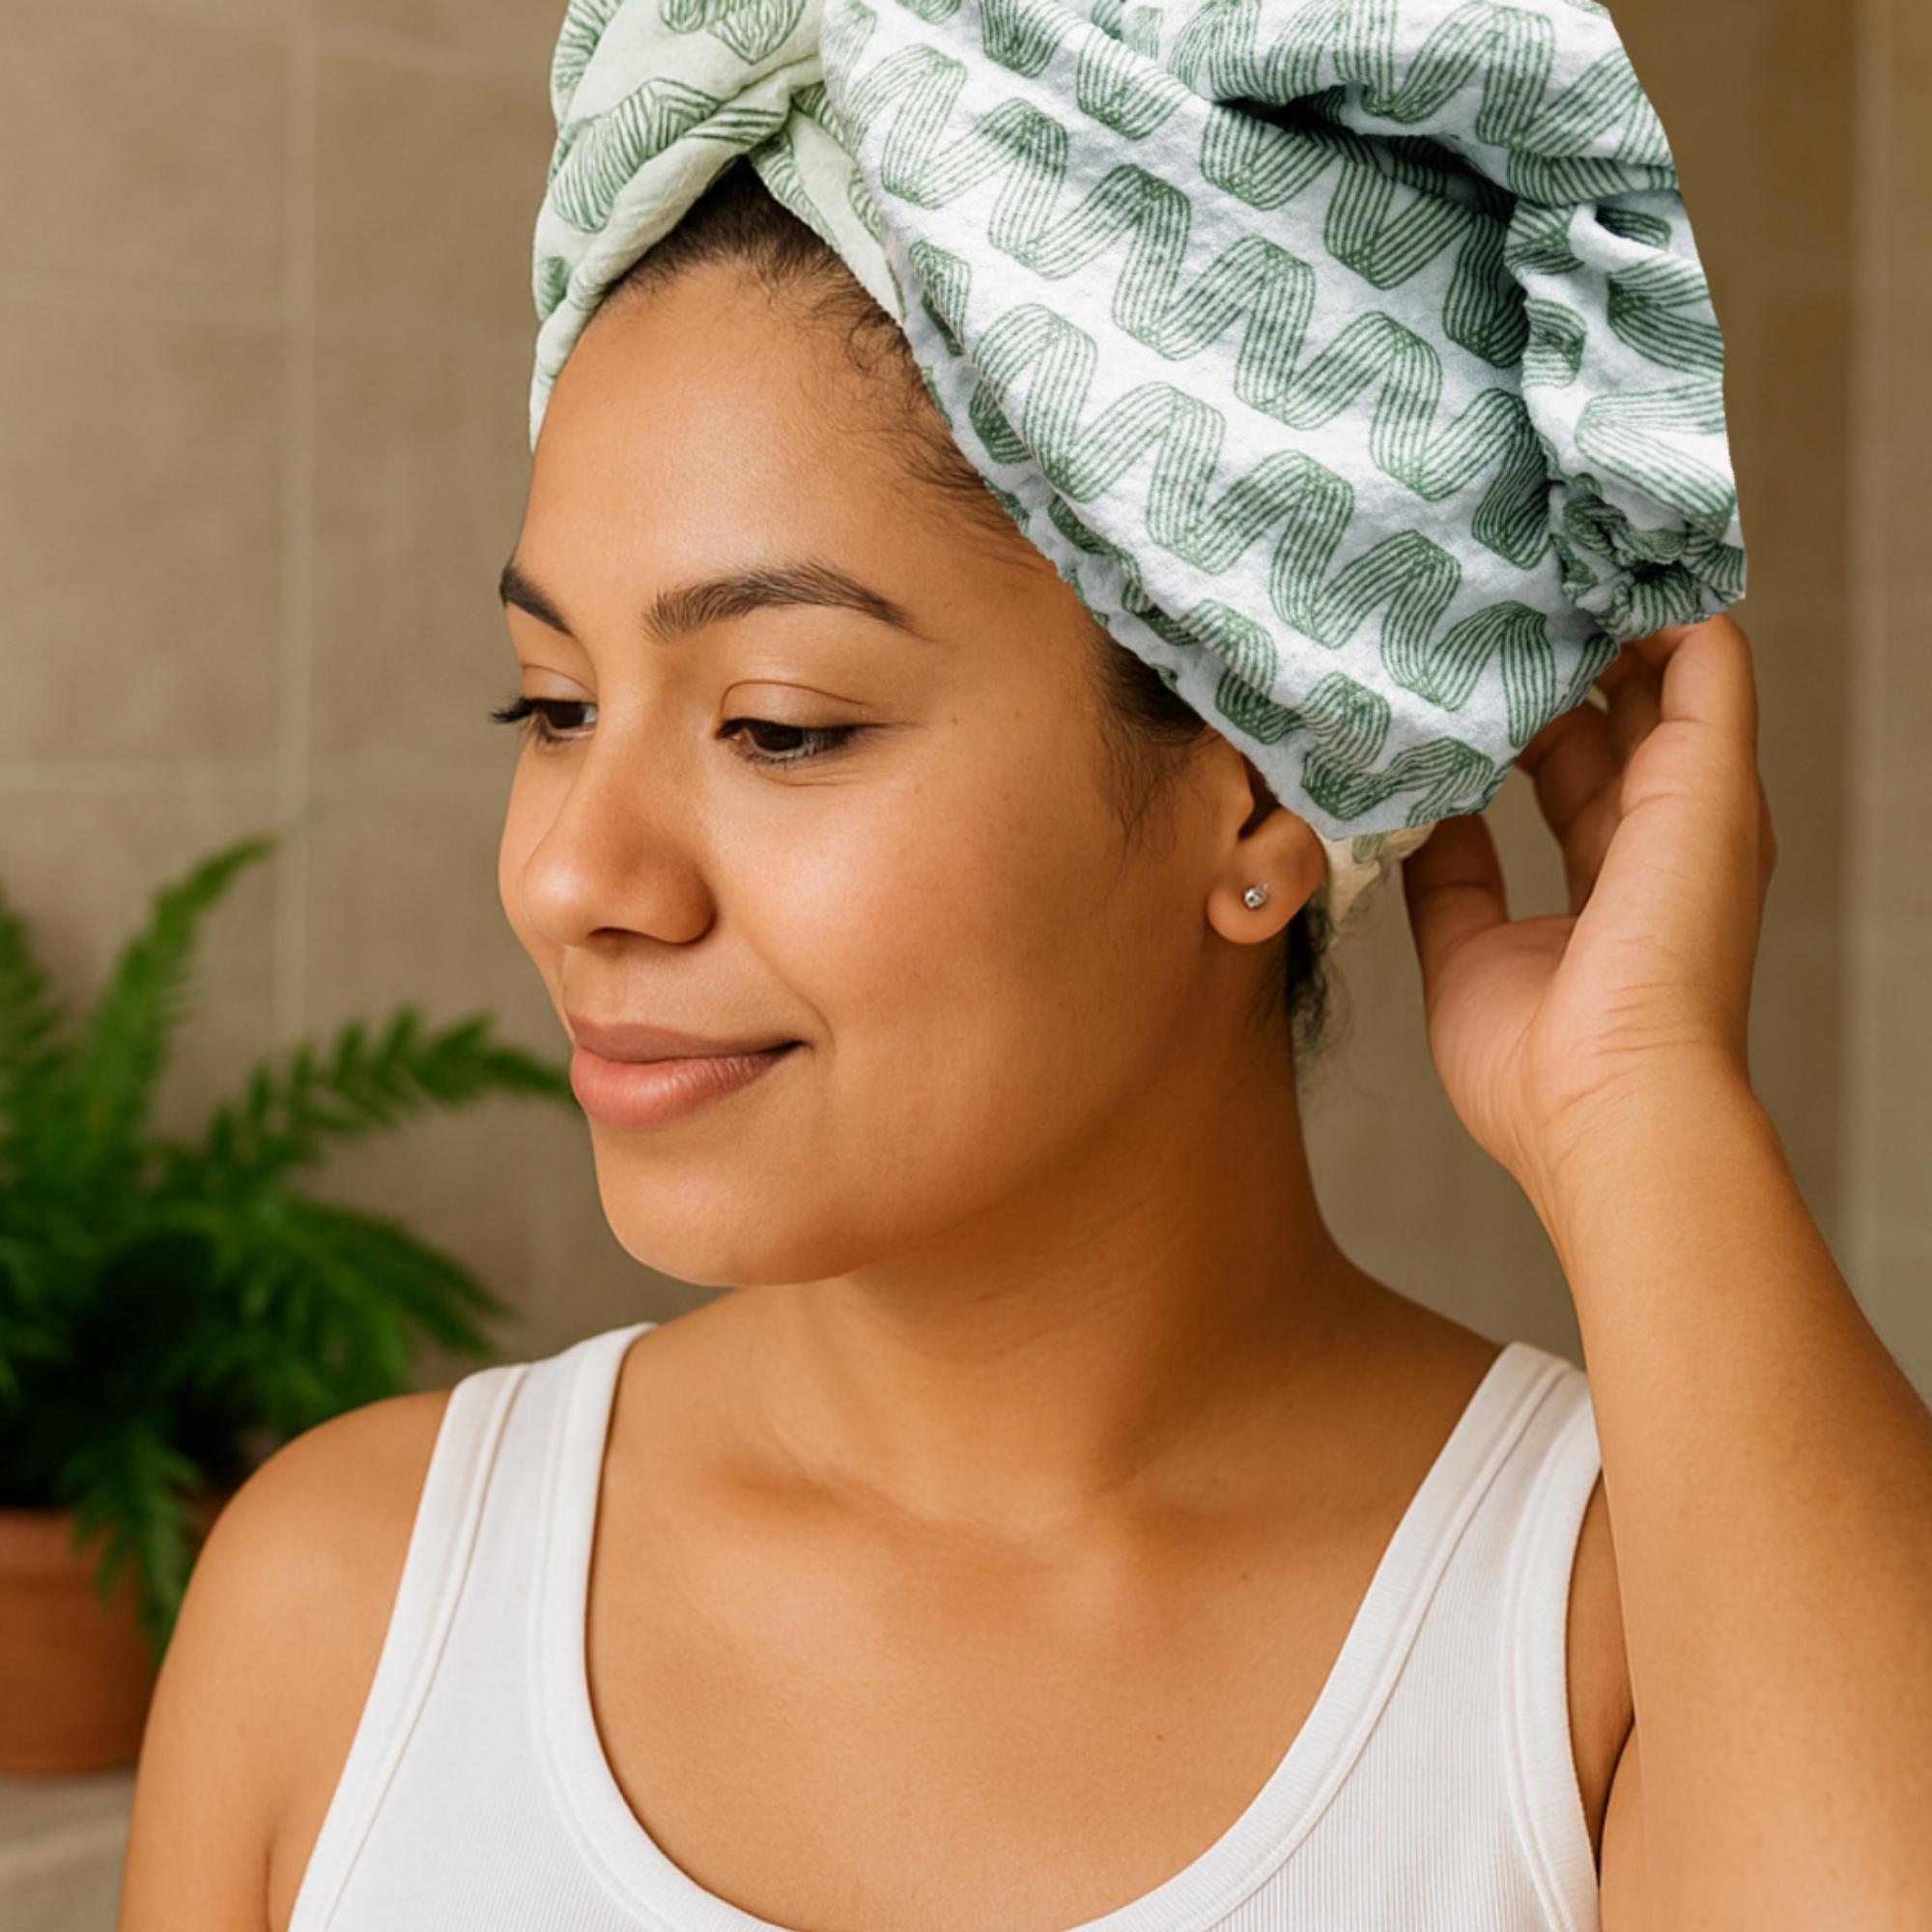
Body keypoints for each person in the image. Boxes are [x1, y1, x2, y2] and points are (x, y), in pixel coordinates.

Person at [119, 165, 1932, 1932]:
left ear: (1255, 794)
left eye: (779, 726)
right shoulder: (343, 1607)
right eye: (556, 706)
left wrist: (1637, 1109)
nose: (570, 875)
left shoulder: (1618, 1641)